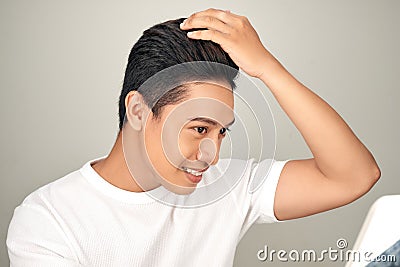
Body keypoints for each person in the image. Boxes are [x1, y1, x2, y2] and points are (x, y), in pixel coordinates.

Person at [7, 8, 380, 267]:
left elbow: (353, 176)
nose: (212, 155)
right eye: (200, 128)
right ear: (138, 111)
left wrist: (268, 68)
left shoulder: (227, 187)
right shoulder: (49, 220)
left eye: (222, 133)